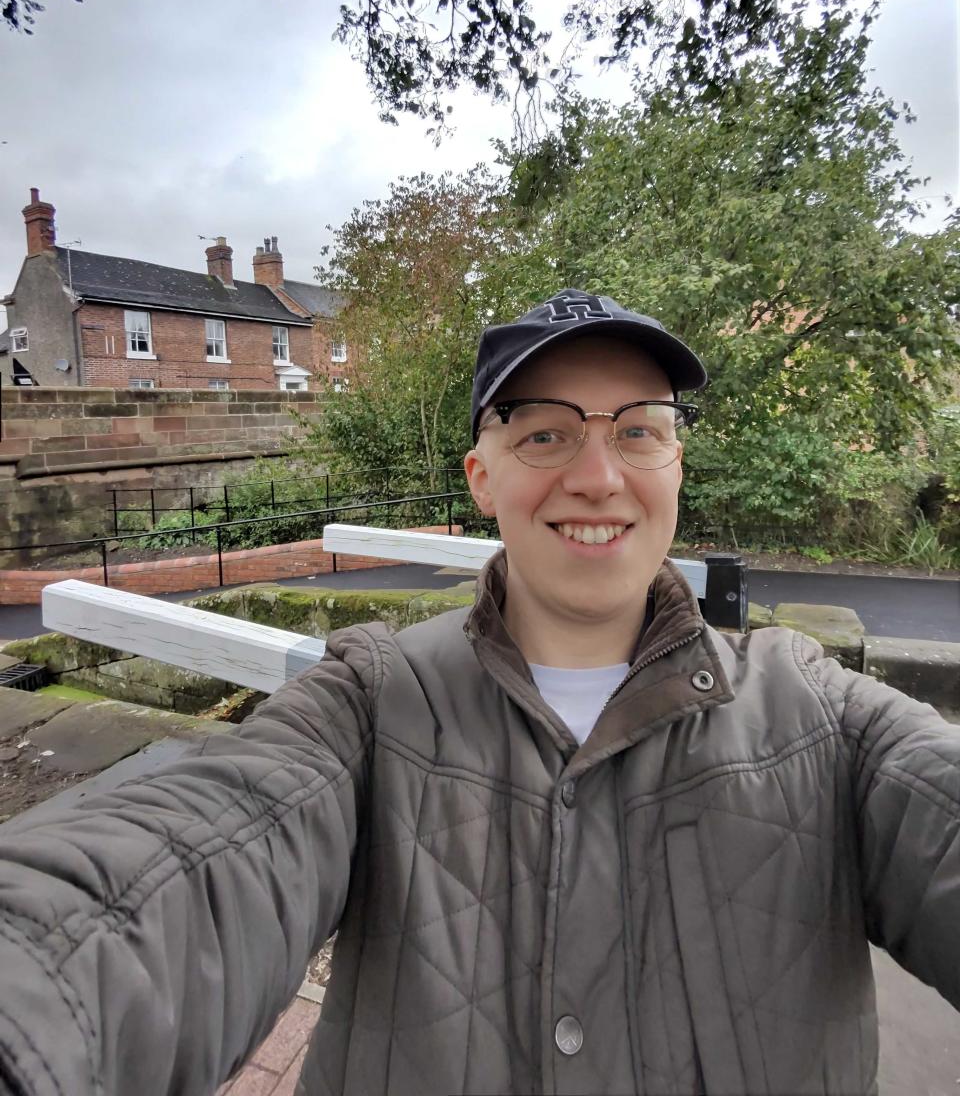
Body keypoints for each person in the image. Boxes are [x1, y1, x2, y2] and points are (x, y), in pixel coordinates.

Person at [0, 288, 957, 1096]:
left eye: (639, 431)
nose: (596, 475)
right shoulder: (370, 706)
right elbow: (186, 867)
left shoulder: (816, 713)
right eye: (545, 434)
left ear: (676, 463)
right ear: (481, 480)